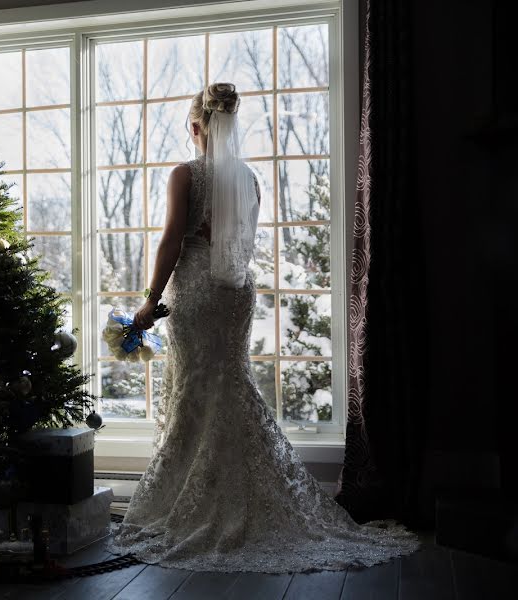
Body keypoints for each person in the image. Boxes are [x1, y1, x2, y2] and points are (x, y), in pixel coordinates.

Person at [105, 83, 421, 573]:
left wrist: (149, 300)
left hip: (196, 290)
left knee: (198, 389)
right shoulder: (250, 181)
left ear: (196, 127)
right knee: (227, 382)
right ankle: (231, 490)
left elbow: (171, 240)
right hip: (235, 293)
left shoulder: (185, 174)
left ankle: (201, 499)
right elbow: (243, 245)